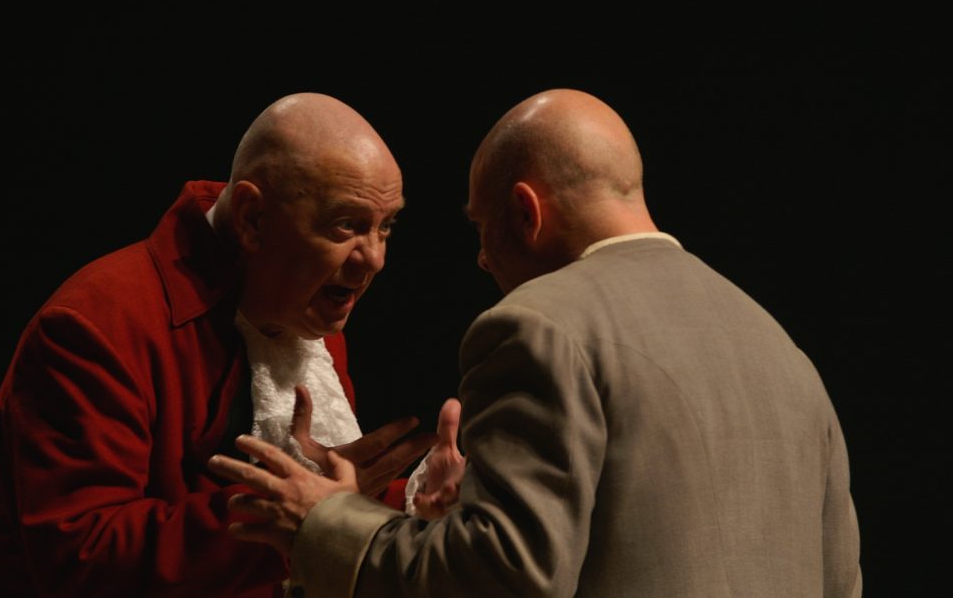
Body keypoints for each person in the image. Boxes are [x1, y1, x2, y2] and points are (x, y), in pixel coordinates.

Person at [208, 88, 863, 597]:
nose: (483, 260)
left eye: (482, 228)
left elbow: (505, 576)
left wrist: (324, 521)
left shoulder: (541, 325)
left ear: (527, 212)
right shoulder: (784, 354)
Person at [0, 93, 440, 598]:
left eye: (385, 226)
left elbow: (311, 502)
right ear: (253, 219)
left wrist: (421, 505)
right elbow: (82, 561)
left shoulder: (298, 309)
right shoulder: (94, 325)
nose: (375, 258)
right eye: (346, 224)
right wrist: (296, 517)